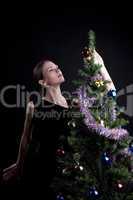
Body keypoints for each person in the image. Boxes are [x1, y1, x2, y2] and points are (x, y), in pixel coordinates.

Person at [2, 51, 116, 197]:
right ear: (43, 82)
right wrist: (19, 165)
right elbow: (26, 138)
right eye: (51, 70)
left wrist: (100, 65)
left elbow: (108, 91)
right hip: (41, 169)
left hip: (68, 172)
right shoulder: (35, 105)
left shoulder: (75, 103)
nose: (58, 70)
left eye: (57, 67)